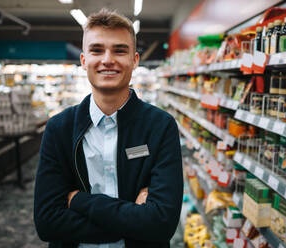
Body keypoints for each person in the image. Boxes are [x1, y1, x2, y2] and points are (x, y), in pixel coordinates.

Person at [34, 8, 183, 248]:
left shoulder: (160, 126)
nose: (107, 60)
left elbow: (162, 223)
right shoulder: (59, 128)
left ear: (134, 60)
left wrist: (79, 201)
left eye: (119, 50)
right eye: (96, 50)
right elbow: (47, 222)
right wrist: (133, 222)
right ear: (84, 61)